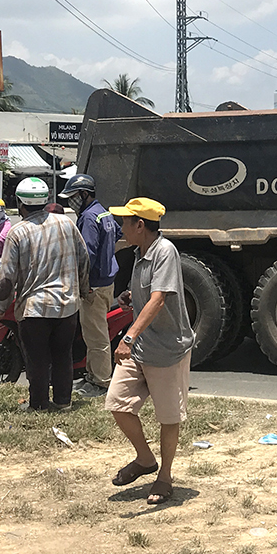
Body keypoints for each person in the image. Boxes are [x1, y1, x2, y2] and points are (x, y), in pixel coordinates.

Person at [104, 197, 193, 506]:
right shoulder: (140, 254)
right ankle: (145, 459)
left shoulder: (164, 252)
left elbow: (159, 299)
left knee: (168, 417)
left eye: (125, 222)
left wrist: (128, 337)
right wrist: (132, 298)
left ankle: (165, 477)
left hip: (167, 349)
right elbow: (147, 297)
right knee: (117, 402)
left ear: (139, 225)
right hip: (142, 346)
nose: (121, 227)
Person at [0, 177, 90, 412]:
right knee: (62, 355)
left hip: (34, 308)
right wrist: (83, 289)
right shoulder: (66, 223)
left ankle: (38, 404)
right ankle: (63, 402)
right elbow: (83, 259)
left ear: (20, 203)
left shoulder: (17, 233)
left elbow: (7, 278)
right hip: (67, 305)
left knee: (37, 360)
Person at [59, 174, 119, 398]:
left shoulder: (88, 217)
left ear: (84, 194)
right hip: (106, 282)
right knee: (96, 334)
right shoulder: (104, 213)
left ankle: (101, 382)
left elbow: (86, 254)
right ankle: (93, 376)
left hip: (93, 285)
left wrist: (80, 284)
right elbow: (117, 237)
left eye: (73, 196)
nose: (71, 202)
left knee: (96, 337)